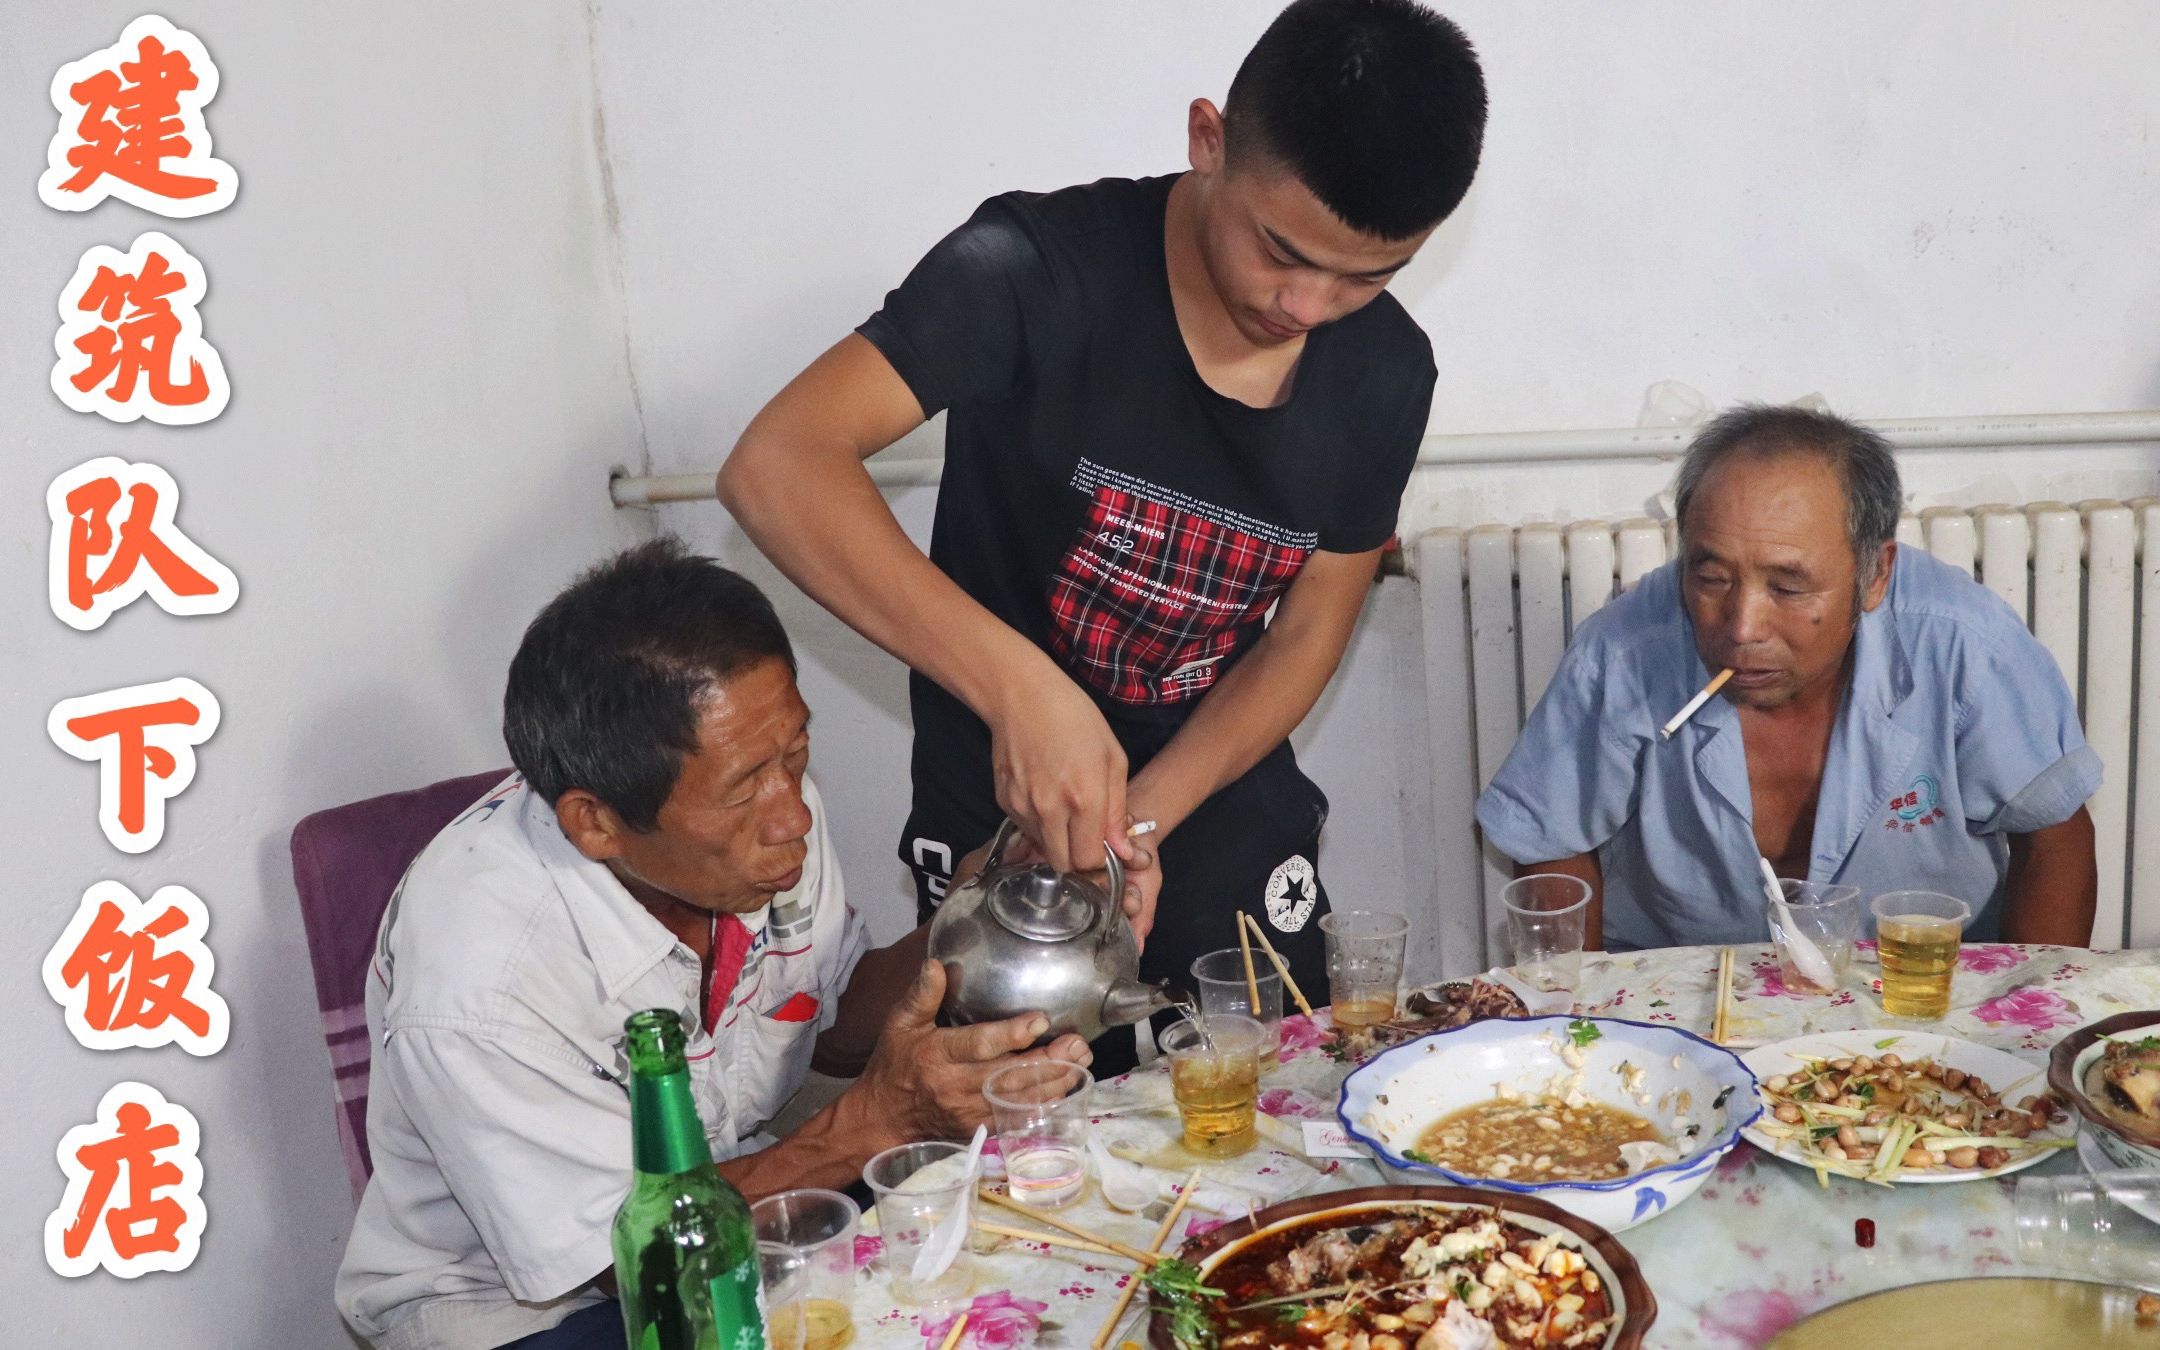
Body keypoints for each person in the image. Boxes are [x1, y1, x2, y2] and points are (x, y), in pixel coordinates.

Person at [717, 0, 1487, 1067]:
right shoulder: (1033, 272)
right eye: (1281, 250)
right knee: (1024, 1157)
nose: (1307, 305)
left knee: (1273, 1150)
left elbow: (1308, 635)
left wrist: (1140, 822)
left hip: (1214, 801)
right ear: (1208, 140)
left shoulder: (1387, 373)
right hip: (1006, 822)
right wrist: (1022, 691)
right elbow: (778, 464)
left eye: (1366, 276)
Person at [335, 539, 1090, 1350]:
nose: (792, 815)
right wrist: (878, 1121)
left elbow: (833, 1027)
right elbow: (620, 1257)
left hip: (748, 1216)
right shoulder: (482, 986)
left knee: (1022, 1271)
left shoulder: (762, 819)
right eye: (744, 789)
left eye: (795, 754)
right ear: (596, 823)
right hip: (529, 1311)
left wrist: (975, 913)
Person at [1476, 405, 2101, 951]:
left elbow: (2055, 837)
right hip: (1690, 983)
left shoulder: (1964, 645)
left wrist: (2028, 1018)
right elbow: (1552, 840)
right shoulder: (1622, 652)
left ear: (1875, 572)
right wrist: (1581, 1028)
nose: (1743, 627)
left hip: (1917, 978)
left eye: (1788, 586)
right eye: (1711, 577)